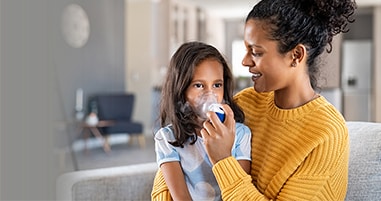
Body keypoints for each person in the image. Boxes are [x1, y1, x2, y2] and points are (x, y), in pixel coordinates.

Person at [151, 0, 357, 200]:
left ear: (296, 55)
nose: (245, 61)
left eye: (256, 52)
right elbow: (179, 153)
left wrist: (223, 160)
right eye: (246, 49)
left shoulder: (327, 133)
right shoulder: (246, 103)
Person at [152, 41, 252, 201]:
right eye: (199, 85)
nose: (210, 94)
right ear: (181, 89)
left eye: (217, 85)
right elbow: (181, 198)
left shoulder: (239, 134)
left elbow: (239, 192)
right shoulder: (167, 138)